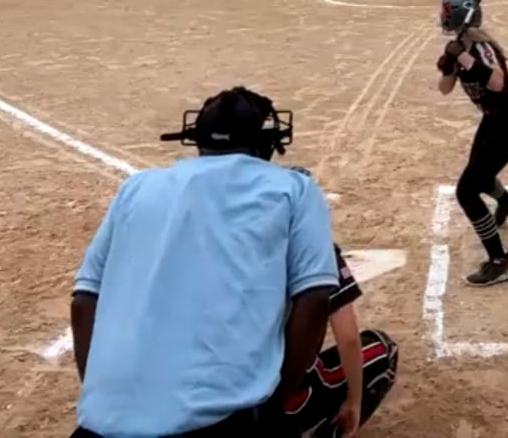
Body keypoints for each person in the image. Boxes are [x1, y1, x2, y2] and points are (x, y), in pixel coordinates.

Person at [69, 86, 341, 438]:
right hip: (218, 421)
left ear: (197, 139)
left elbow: (83, 302)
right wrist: (274, 405)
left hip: (99, 424)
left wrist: (104, 399)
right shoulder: (293, 188)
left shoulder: (135, 187)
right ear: (264, 143)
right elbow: (315, 299)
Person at [281, 168, 401, 438]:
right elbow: (347, 338)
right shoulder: (316, 250)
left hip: (222, 393)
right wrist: (354, 400)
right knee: (383, 349)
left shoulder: (235, 245)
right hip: (283, 394)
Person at [433, 0, 508, 288]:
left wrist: (462, 56)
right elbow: (444, 89)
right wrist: (449, 65)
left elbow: (498, 82)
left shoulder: (481, 47)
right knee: (479, 175)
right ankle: (507, 201)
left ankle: (499, 262)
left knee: (467, 190)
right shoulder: (461, 46)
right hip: (493, 119)